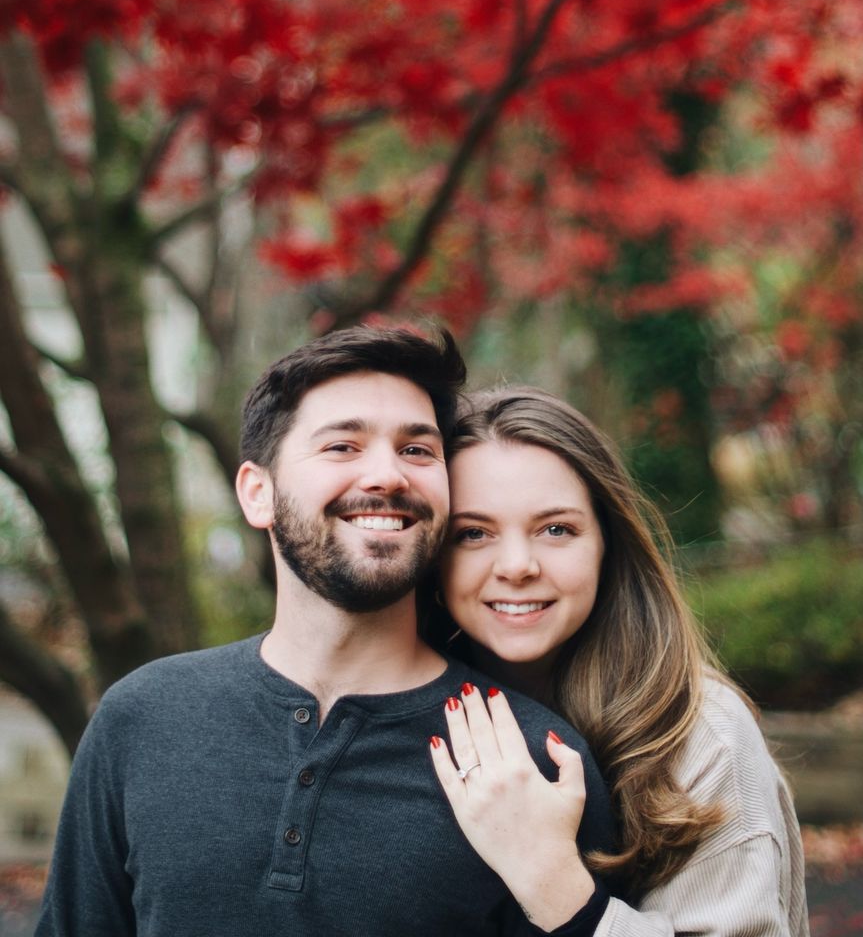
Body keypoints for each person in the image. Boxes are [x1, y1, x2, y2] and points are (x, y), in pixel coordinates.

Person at [36, 328, 618, 937]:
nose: (388, 475)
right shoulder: (142, 718)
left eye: (418, 451)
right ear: (258, 493)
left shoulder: (536, 760)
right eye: (343, 446)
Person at [426, 386, 809, 936]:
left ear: (608, 543)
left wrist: (554, 881)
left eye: (556, 529)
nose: (516, 565)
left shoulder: (702, 735)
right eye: (473, 533)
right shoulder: (401, 701)